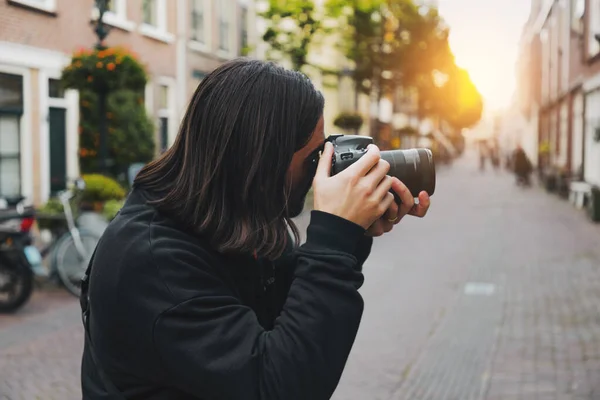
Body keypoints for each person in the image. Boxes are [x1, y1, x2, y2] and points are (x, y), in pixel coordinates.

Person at [80, 59, 431, 400]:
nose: (318, 173)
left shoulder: (225, 220)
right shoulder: (151, 261)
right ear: (262, 157)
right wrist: (333, 237)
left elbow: (289, 311)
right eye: (314, 158)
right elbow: (282, 385)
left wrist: (352, 235)